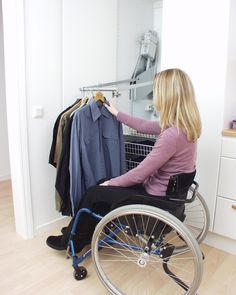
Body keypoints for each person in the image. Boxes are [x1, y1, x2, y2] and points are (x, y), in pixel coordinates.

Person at [46, 68, 202, 252]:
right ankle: (80, 231)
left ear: (167, 96)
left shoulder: (171, 135)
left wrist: (111, 183)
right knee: (101, 186)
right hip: (168, 194)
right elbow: (143, 125)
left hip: (155, 198)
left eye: (157, 91)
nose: (155, 97)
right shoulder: (184, 126)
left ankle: (73, 240)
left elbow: (139, 174)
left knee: (94, 191)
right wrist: (116, 113)